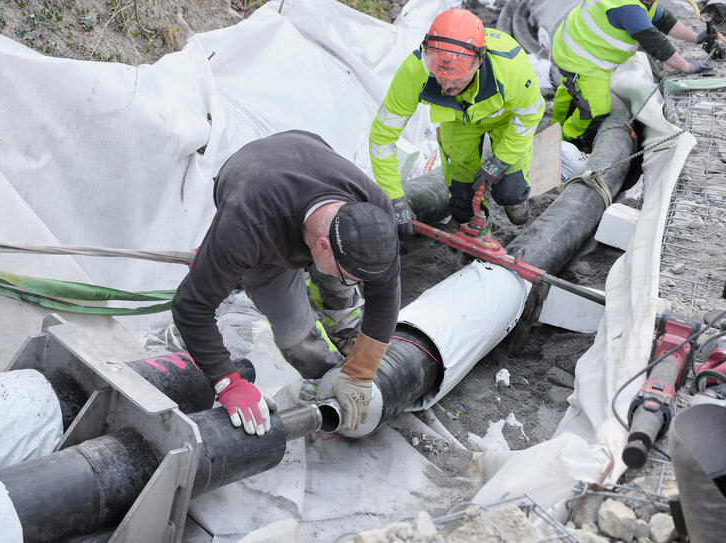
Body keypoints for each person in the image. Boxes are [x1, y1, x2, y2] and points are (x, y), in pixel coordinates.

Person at [172, 130, 400, 436]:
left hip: (304, 151)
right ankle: (323, 376)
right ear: (320, 246)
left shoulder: (373, 212)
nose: (357, 283)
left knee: (339, 280)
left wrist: (361, 373)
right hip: (254, 189)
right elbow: (191, 307)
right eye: (351, 276)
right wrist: (227, 382)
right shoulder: (247, 226)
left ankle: (344, 328)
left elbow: (385, 294)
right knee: (293, 330)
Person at [369, 8, 544, 235]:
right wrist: (393, 197)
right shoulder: (415, 72)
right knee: (461, 198)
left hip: (504, 119)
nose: (445, 86)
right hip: (457, 120)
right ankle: (477, 235)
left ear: (478, 63)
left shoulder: (510, 69)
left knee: (510, 191)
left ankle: (515, 198)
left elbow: (530, 115)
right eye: (438, 75)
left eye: (456, 79)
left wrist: (501, 160)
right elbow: (382, 136)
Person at [552, 0, 716, 151]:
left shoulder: (643, 2)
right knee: (596, 110)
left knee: (571, 90)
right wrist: (687, 67)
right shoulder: (628, 8)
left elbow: (665, 20)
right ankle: (571, 139)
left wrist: (695, 38)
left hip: (584, 52)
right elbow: (658, 45)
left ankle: (556, 125)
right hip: (579, 60)